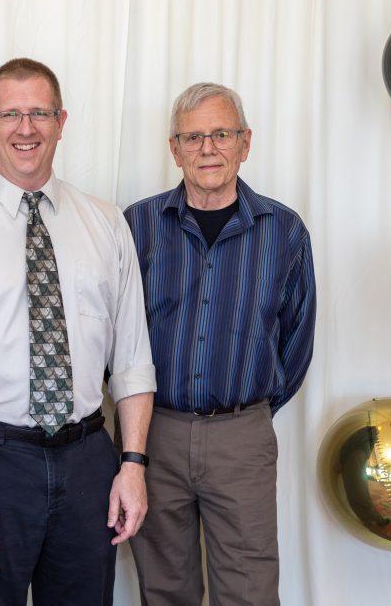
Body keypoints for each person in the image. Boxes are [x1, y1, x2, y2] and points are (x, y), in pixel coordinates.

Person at [0, 57, 156, 605]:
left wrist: (132, 466)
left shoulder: (106, 223)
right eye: (11, 114)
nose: (27, 128)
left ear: (62, 121)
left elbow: (134, 360)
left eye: (40, 113)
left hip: (90, 457)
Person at [124, 83, 317, 606]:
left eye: (221, 134)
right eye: (193, 136)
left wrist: (248, 414)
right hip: (153, 435)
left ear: (245, 142)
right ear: (174, 148)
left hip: (242, 437)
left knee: (250, 592)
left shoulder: (284, 230)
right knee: (164, 588)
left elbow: (297, 340)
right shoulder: (136, 225)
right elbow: (113, 338)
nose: (207, 148)